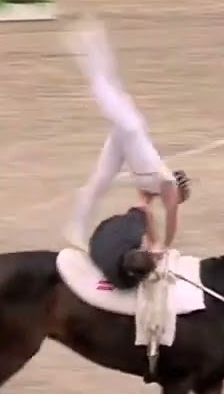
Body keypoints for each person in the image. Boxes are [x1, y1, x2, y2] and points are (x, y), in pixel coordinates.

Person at [64, 17, 187, 258]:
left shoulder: (149, 192)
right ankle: (89, 43)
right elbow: (172, 220)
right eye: (179, 200)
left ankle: (75, 227)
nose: (173, 203)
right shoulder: (168, 184)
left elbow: (143, 211)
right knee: (105, 86)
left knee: (99, 181)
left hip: (122, 141)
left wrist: (154, 244)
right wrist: (166, 246)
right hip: (131, 128)